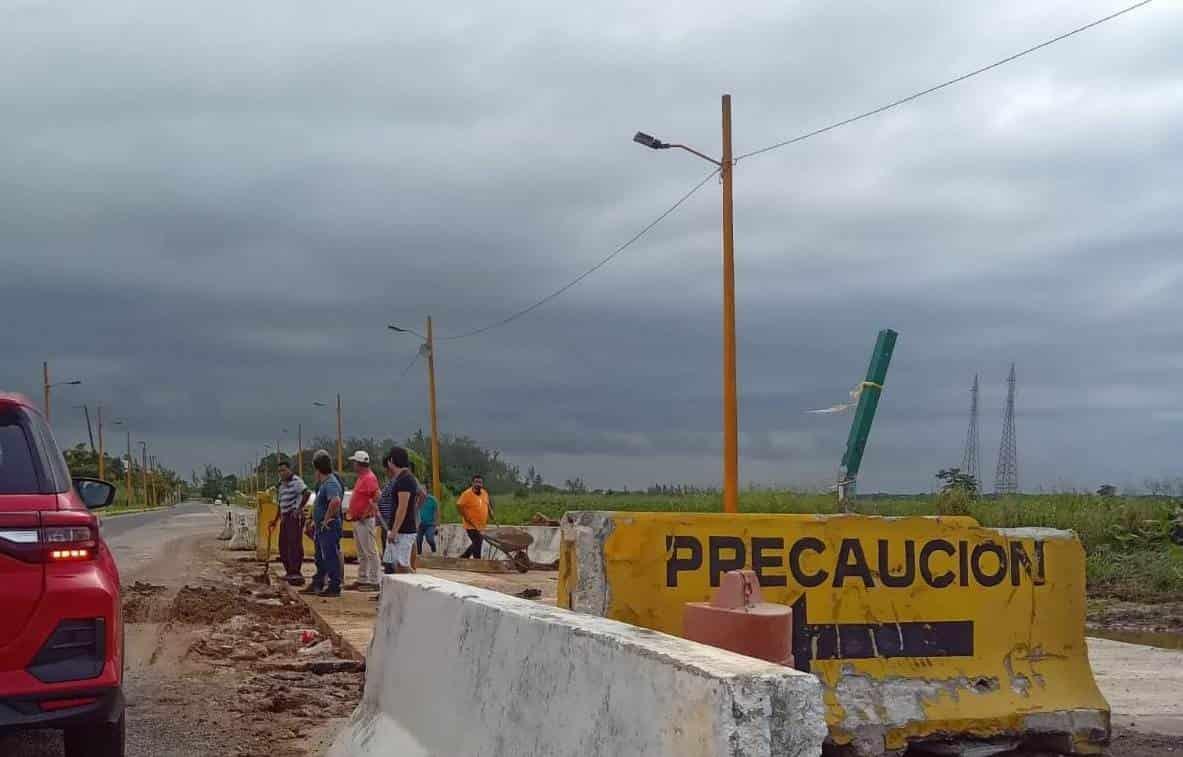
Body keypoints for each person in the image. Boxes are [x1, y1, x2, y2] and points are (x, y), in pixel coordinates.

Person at [301, 450, 344, 597]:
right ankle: (318, 583)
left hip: (329, 527)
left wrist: (325, 519)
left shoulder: (331, 483)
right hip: (321, 527)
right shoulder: (324, 484)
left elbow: (335, 501)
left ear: (318, 469)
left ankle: (334, 586)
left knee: (330, 556)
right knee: (320, 557)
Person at [270, 459, 310, 585]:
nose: (281, 473)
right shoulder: (281, 485)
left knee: (294, 545)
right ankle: (289, 571)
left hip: (294, 517)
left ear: (289, 470)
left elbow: (306, 493)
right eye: (279, 471)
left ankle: (296, 572)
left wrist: (298, 509)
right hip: (284, 517)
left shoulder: (297, 482)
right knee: (283, 545)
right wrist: (275, 520)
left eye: (284, 470)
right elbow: (280, 503)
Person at [345, 450, 381, 591]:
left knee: (370, 550)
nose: (353, 465)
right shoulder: (363, 477)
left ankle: (374, 580)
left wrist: (366, 513)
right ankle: (363, 578)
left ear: (359, 464)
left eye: (354, 462)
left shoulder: (369, 478)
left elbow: (377, 495)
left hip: (365, 520)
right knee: (362, 552)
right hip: (358, 520)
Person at [383, 447, 420, 573]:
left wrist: (394, 531)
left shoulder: (405, 479)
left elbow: (402, 507)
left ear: (391, 461)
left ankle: (418, 585)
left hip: (404, 531)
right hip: (399, 529)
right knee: (394, 565)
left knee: (402, 565)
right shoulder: (402, 478)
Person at [456, 475, 490, 559]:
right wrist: (465, 516)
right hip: (471, 525)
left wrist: (491, 512)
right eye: (476, 482)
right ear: (472, 483)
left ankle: (464, 557)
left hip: (481, 525)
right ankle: (477, 561)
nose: (478, 484)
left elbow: (487, 504)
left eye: (480, 482)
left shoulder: (484, 493)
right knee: (478, 542)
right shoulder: (467, 494)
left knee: (476, 542)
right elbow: (459, 505)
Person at [416, 487, 439, 554]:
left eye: (423, 492)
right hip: (420, 524)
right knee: (418, 539)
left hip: (430, 524)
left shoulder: (432, 500)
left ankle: (434, 551)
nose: (422, 494)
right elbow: (415, 512)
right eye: (420, 492)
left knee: (429, 538)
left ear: (426, 491)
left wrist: (437, 525)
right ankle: (419, 554)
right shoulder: (418, 500)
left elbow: (436, 513)